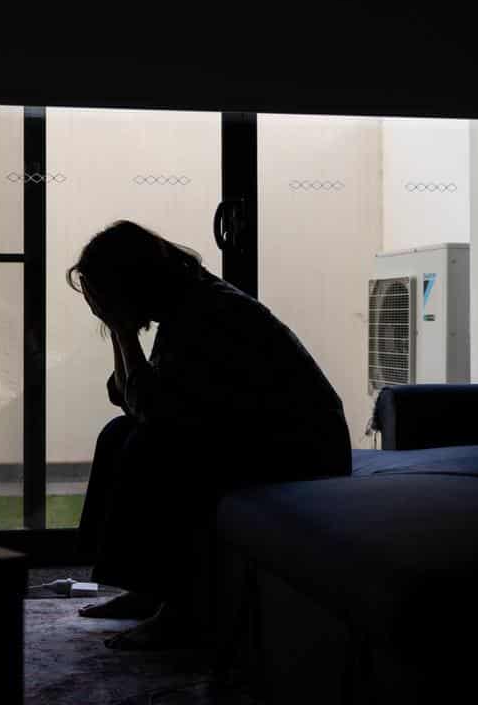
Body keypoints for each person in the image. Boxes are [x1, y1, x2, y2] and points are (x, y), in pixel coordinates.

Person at [70, 220, 351, 650]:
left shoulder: (207, 313)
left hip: (303, 452)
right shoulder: (185, 301)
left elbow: (155, 409)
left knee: (154, 445)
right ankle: (149, 589)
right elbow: (128, 398)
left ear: (132, 283)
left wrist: (124, 331)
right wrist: (118, 331)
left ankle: (183, 610)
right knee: (119, 434)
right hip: (259, 435)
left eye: (107, 298)